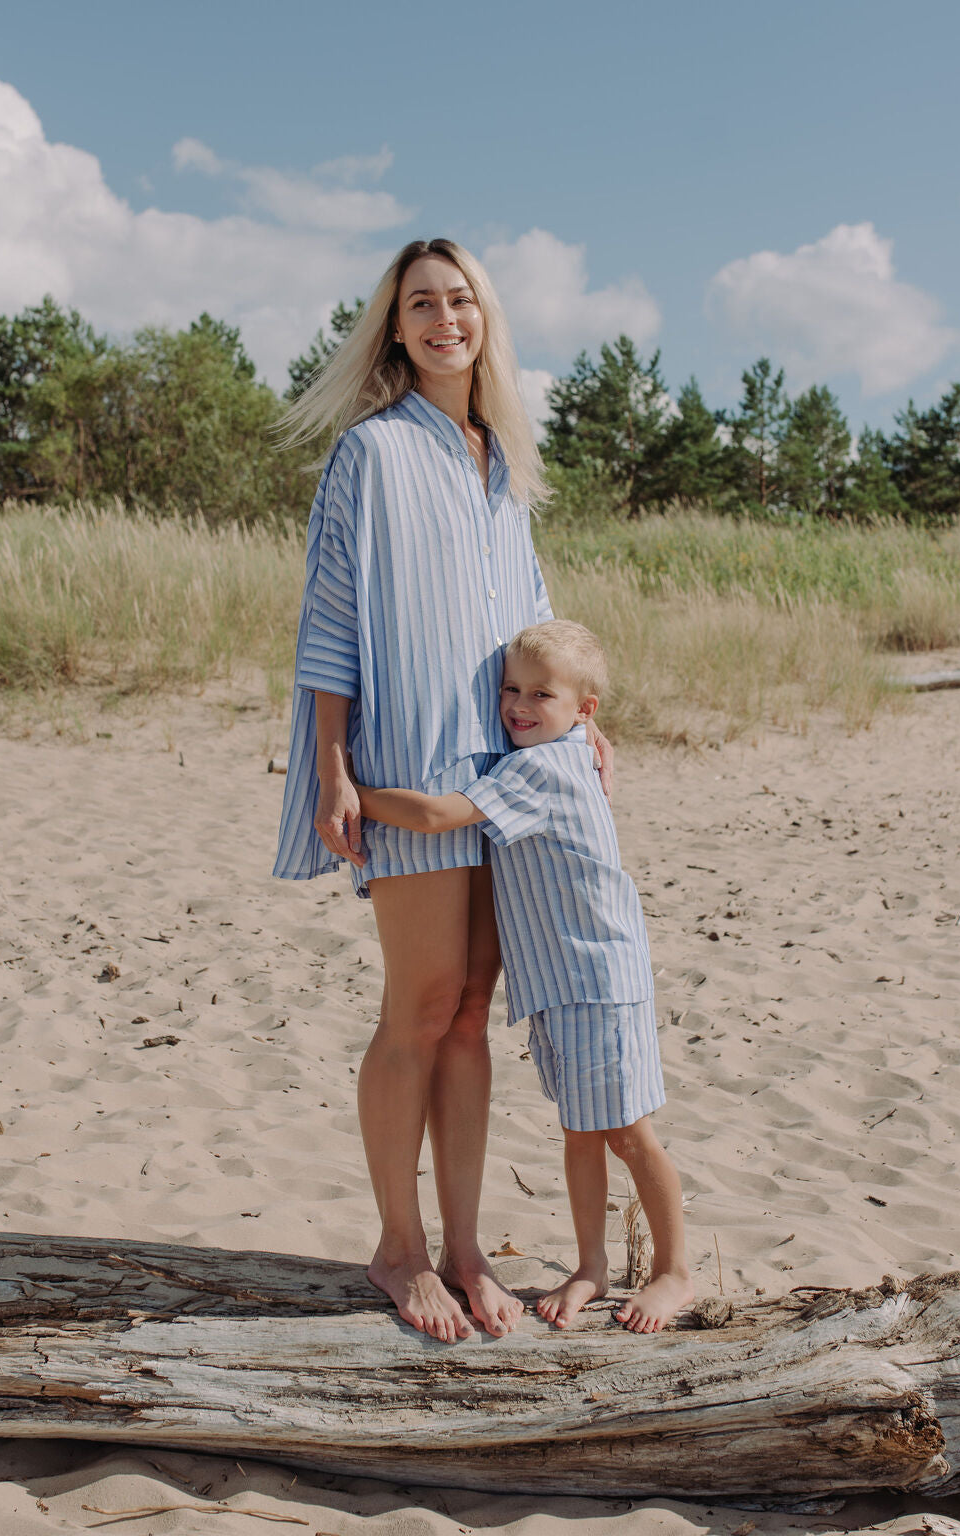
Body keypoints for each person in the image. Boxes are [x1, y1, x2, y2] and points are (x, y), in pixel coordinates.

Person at [273, 239, 613, 1343]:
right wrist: (332, 768)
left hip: (509, 767)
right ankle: (398, 1247)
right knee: (419, 1006)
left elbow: (539, 607)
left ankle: (467, 1248)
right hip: (410, 760)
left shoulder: (504, 459)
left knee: (472, 1012)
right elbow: (329, 624)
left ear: (483, 317)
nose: (442, 318)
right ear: (395, 328)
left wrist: (581, 725)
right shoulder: (369, 455)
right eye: (420, 303)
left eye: (458, 299)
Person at [353, 620, 693, 1333]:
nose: (519, 705)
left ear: (585, 710)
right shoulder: (557, 752)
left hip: (595, 979)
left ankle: (673, 1272)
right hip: (567, 984)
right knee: (581, 1130)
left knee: (630, 1133)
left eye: (542, 694)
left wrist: (357, 792)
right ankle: (592, 1267)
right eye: (510, 689)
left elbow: (441, 814)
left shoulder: (540, 769)